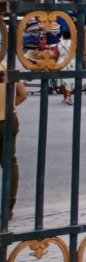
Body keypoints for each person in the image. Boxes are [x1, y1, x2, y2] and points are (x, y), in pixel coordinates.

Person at [0, 67, 27, 221]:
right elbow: (23, 94)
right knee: (9, 161)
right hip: (9, 119)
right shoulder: (6, 66)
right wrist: (10, 106)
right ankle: (8, 206)